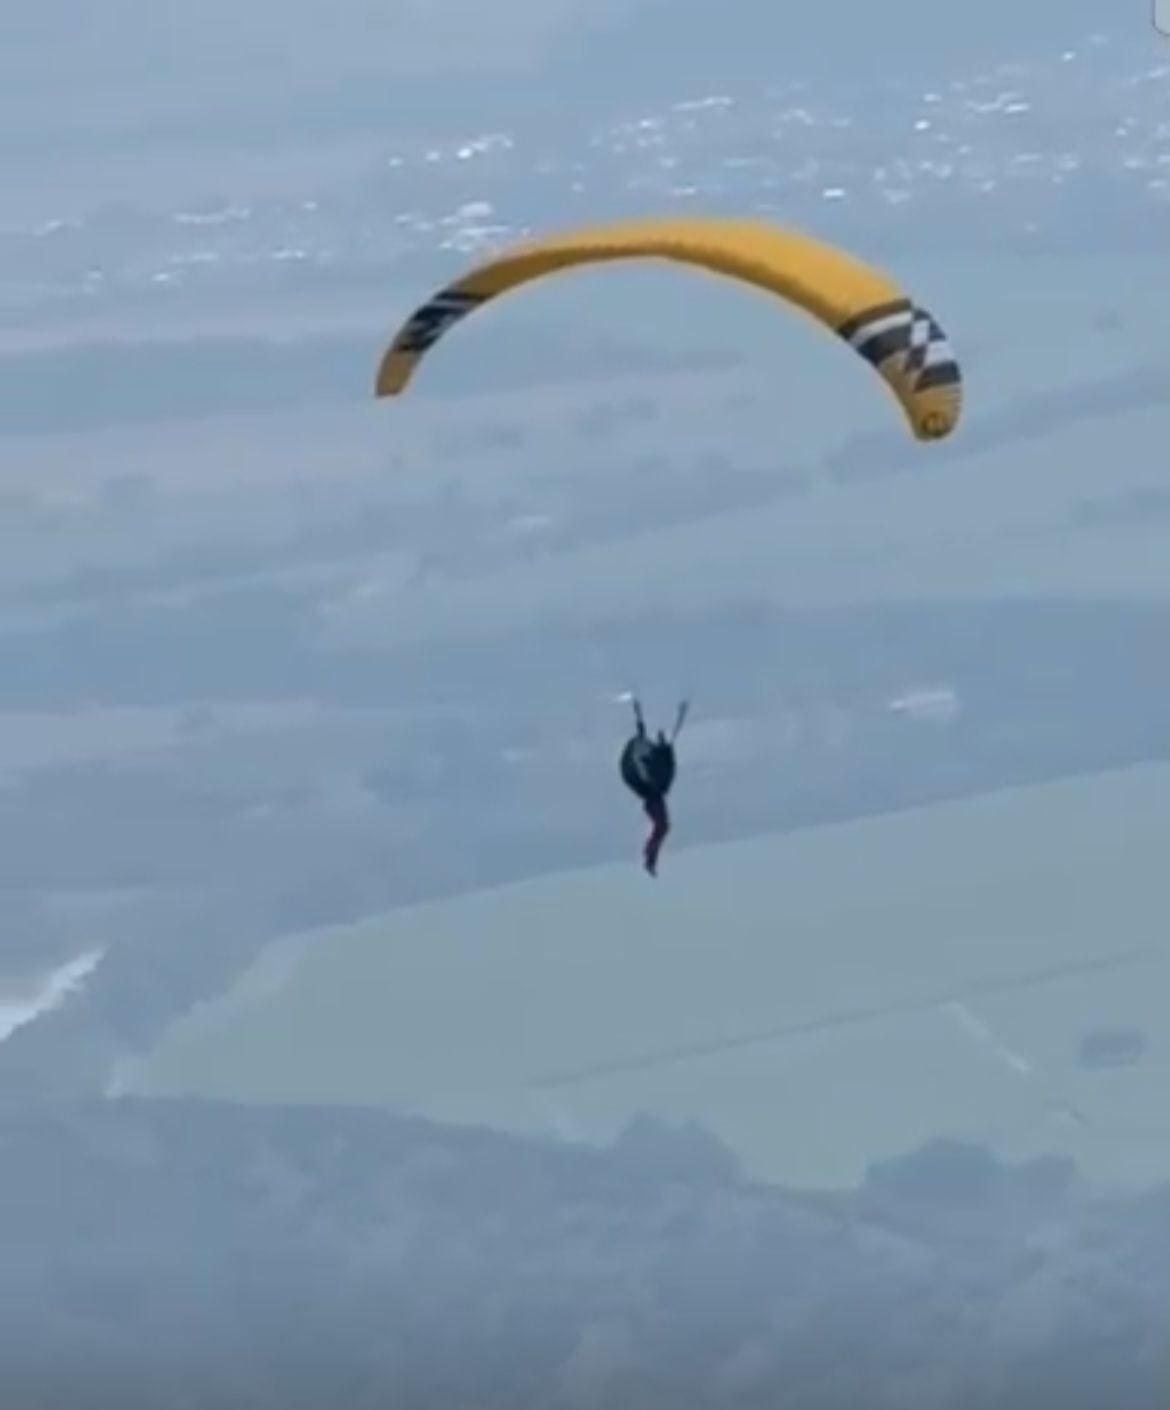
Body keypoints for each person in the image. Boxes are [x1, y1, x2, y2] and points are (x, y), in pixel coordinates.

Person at [619, 698, 687, 876]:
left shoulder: (657, 779)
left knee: (663, 826)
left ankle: (649, 857)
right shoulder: (660, 778)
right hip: (649, 784)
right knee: (663, 826)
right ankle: (649, 857)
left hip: (648, 785)